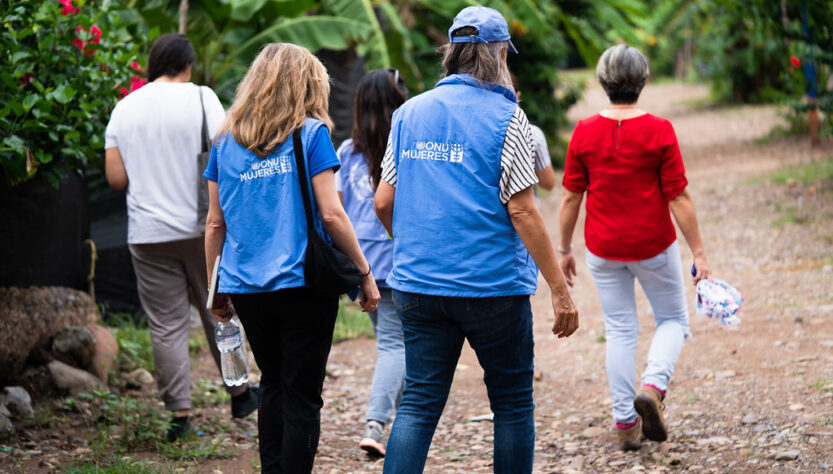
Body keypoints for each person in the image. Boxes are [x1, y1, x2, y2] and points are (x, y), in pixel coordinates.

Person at [374, 6, 579, 473]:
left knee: (420, 404)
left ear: (452, 54)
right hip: (492, 290)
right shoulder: (510, 119)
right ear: (500, 53)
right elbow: (523, 210)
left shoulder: (408, 114)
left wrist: (413, 247)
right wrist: (559, 288)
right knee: (511, 404)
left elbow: (383, 202)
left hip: (416, 287)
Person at [203, 43, 380, 473]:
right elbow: (333, 214)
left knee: (275, 383)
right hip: (303, 284)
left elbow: (214, 223)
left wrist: (215, 287)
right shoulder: (312, 134)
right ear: (306, 84)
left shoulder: (225, 142)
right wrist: (364, 273)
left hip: (246, 286)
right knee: (302, 392)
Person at [104, 33, 258, 442]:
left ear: (153, 65)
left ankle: (181, 418)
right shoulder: (203, 98)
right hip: (201, 225)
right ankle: (241, 395)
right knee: (220, 309)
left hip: (148, 233)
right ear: (187, 65)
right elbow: (227, 152)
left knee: (166, 326)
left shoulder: (123, 109)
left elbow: (116, 178)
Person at [558, 44, 712, 451]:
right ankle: (654, 387)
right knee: (673, 320)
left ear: (603, 83)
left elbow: (571, 196)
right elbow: (678, 196)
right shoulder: (659, 129)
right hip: (652, 244)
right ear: (643, 81)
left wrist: (563, 249)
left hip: (603, 248)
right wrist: (698, 252)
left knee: (621, 329)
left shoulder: (584, 131)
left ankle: (626, 423)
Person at [335, 69, 408, 457]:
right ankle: (377, 425)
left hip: (362, 262)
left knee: (393, 342)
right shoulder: (408, 147)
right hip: (398, 259)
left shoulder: (346, 153)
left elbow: (340, 211)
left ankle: (396, 412)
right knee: (397, 345)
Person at [510, 72, 556, 198]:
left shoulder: (476, 133)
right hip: (526, 209)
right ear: (517, 96)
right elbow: (548, 183)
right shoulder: (533, 134)